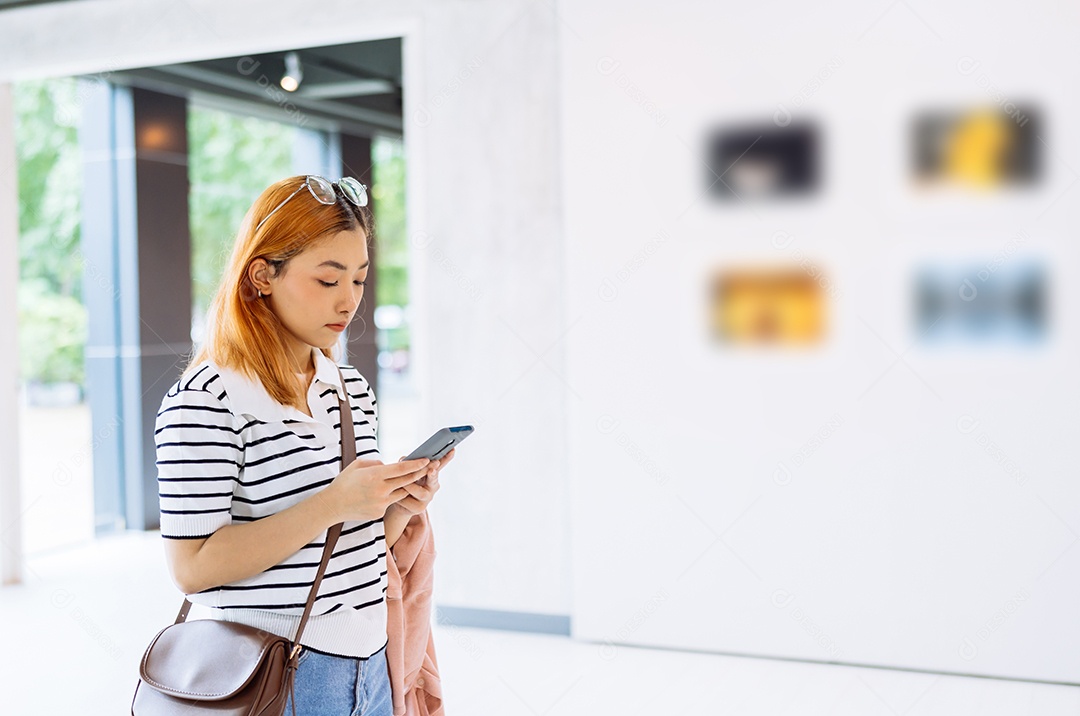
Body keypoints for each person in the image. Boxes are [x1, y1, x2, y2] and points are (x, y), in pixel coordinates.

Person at [154, 175, 453, 716]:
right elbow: (191, 567)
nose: (349, 301)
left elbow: (348, 544)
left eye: (359, 279)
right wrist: (334, 501)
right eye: (327, 279)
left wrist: (397, 505)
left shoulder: (349, 388)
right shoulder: (207, 400)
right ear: (262, 275)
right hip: (274, 670)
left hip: (371, 663)